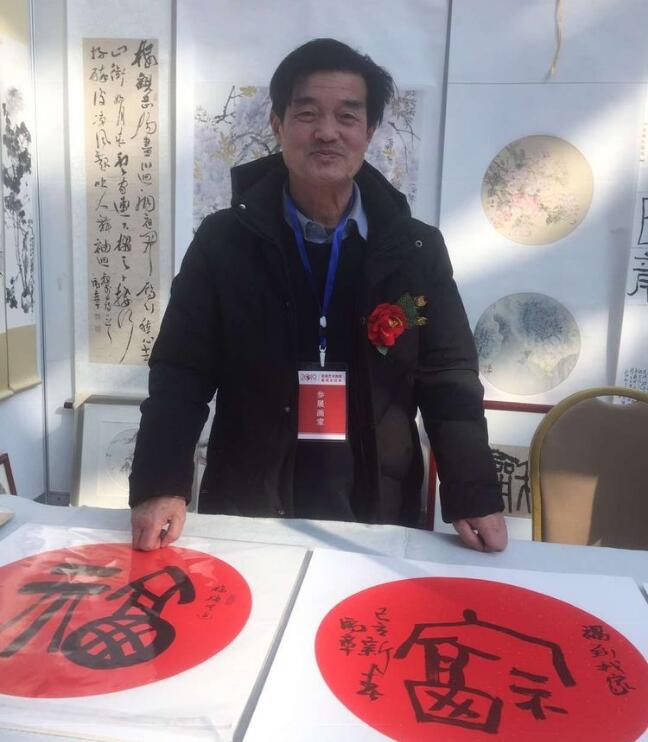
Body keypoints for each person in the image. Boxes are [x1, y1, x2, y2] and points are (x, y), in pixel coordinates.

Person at [129, 38, 507, 553]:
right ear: (277, 125)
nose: (327, 132)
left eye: (347, 116)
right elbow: (180, 372)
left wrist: (473, 493)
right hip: (249, 502)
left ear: (369, 131)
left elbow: (449, 379)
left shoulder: (415, 248)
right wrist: (159, 484)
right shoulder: (224, 242)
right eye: (307, 113)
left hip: (380, 503)